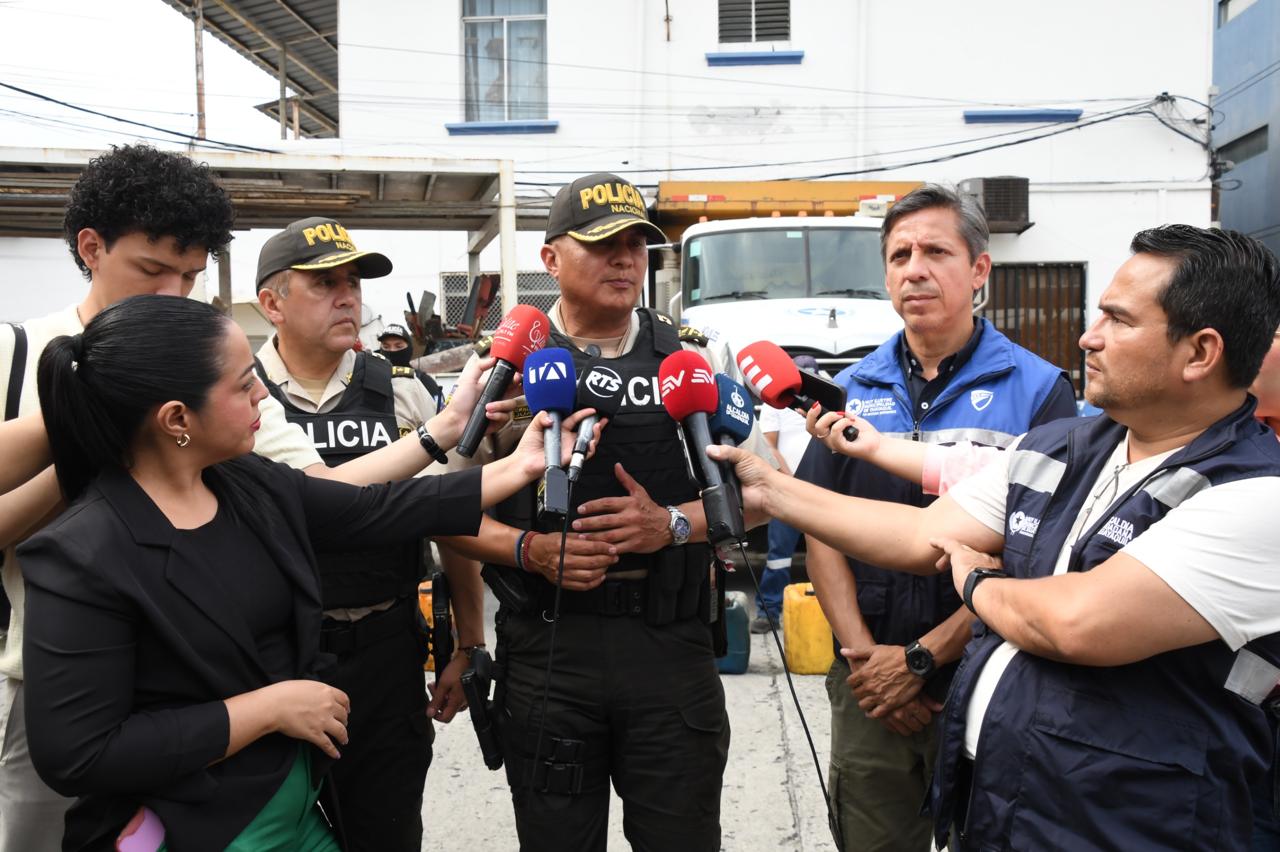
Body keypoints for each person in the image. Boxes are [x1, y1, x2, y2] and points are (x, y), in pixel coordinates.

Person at [0, 144, 518, 850]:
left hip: (207, 697)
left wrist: (448, 436)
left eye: (189, 276)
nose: (172, 295)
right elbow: (79, 751)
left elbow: (327, 497)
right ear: (92, 249)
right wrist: (90, 424)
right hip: (52, 681)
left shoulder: (221, 386)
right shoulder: (24, 356)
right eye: (152, 271)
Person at [712, 224, 1280, 851]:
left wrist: (977, 581)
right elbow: (921, 533)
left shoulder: (1257, 496)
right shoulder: (1061, 448)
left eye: (1118, 320)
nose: (1089, 337)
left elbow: (1075, 622)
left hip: (1137, 824)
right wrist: (770, 490)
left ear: (1200, 353)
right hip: (1009, 805)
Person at [16, 295, 594, 852]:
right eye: (244, 384)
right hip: (190, 826)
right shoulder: (80, 556)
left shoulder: (246, 483)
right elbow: (81, 753)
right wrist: (268, 709)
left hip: (292, 806)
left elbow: (374, 509)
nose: (262, 395)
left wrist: (521, 465)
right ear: (177, 419)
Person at [438, 172, 771, 852]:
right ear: (551, 259)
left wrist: (671, 525)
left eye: (635, 244)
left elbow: (768, 493)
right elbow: (442, 512)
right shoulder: (505, 367)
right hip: (550, 651)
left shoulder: (693, 356)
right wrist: (529, 551)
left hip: (670, 646)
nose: (624, 259)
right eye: (602, 244)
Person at [792, 183, 1077, 850]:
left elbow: (1038, 550)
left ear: (979, 269)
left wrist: (922, 660)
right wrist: (865, 661)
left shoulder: (1040, 390)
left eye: (935, 252)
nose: (914, 270)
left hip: (985, 673)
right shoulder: (851, 390)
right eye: (900, 255)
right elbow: (821, 527)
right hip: (868, 685)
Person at [253, 216, 484, 851]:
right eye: (324, 283)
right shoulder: (237, 395)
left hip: (385, 654)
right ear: (271, 303)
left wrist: (469, 642)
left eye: (352, 283)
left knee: (387, 832)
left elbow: (449, 520)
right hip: (271, 662)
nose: (347, 298)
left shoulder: (405, 394)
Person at [751, 354, 819, 633]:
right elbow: (769, 446)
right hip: (787, 491)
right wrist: (790, 479)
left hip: (822, 492)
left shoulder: (823, 401)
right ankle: (768, 612)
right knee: (779, 556)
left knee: (830, 558)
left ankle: (830, 617)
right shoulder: (775, 403)